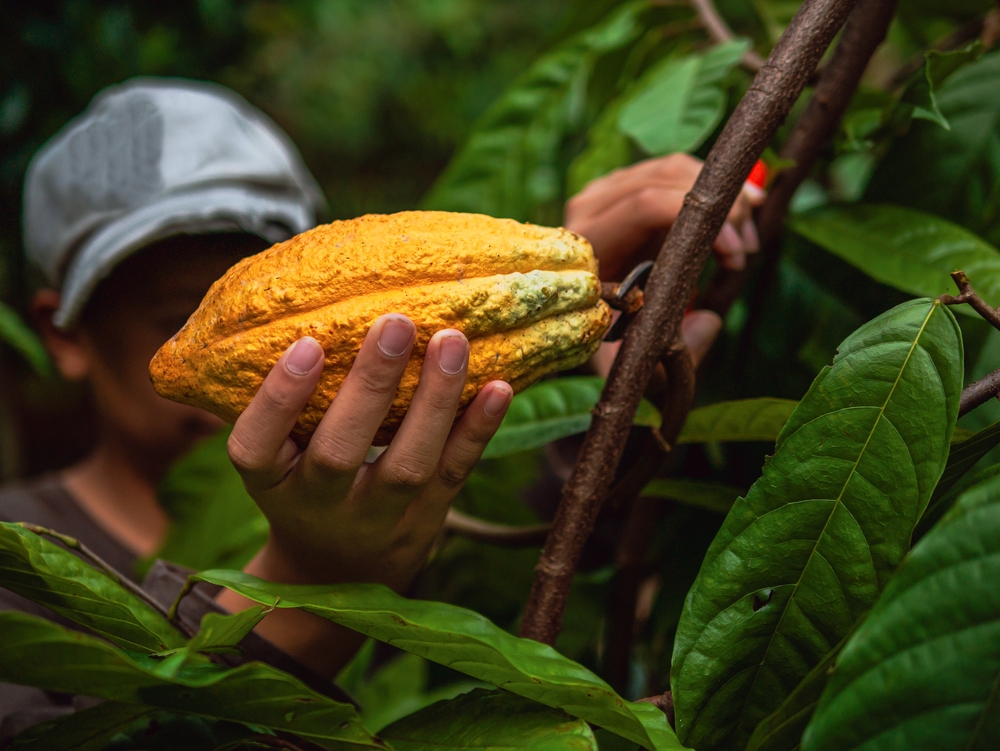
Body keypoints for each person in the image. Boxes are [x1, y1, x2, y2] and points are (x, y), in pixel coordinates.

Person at [0, 77, 763, 736]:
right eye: (177, 308)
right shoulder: (18, 560)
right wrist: (308, 582)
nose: (286, 351)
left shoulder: (410, 494)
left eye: (281, 287)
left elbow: (542, 570)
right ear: (61, 333)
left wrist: (597, 359)